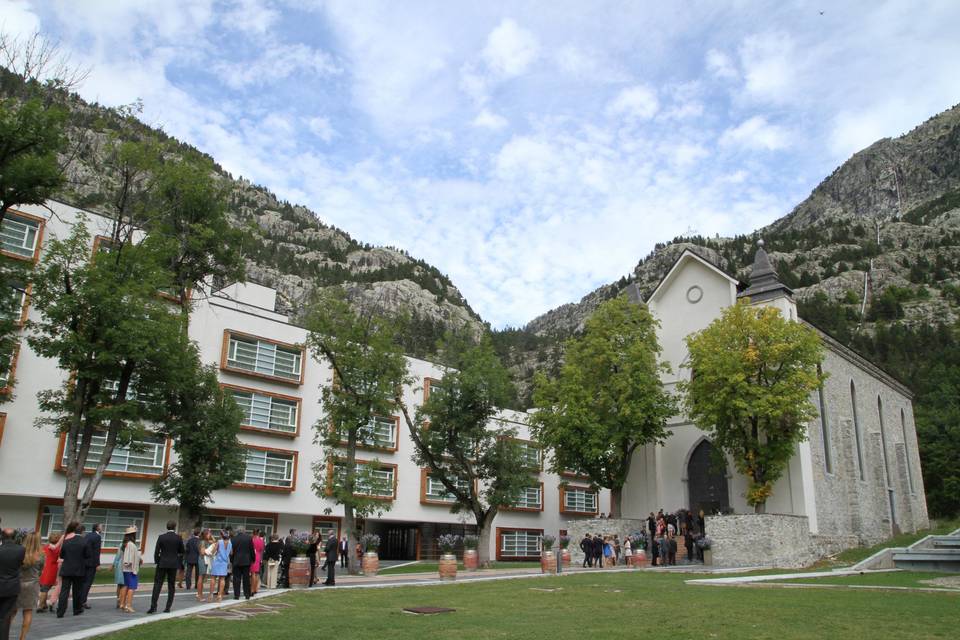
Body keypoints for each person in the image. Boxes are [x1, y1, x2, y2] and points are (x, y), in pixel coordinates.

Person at [147, 521, 184, 614]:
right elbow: (182, 551)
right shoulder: (178, 538)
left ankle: (153, 606)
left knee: (157, 584)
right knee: (171, 585)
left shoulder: (161, 537)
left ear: (167, 527)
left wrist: (157, 561)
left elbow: (156, 551)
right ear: (174, 527)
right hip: (173, 564)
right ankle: (168, 607)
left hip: (162, 563)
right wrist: (177, 560)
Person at [55, 522, 90, 618]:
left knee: (64, 590)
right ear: (82, 532)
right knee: (77, 590)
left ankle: (60, 611)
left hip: (66, 568)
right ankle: (77, 609)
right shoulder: (84, 542)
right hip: (79, 569)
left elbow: (62, 555)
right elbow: (87, 555)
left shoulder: (66, 541)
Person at [14, 532, 43, 640]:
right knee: (28, 611)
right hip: (32, 585)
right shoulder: (40, 555)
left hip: (18, 583)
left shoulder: (19, 553)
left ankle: (5, 634)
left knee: (12, 610)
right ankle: (22, 637)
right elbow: (40, 571)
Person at [0, 528, 26, 640]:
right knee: (6, 617)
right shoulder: (21, 550)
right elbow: (20, 564)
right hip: (12, 586)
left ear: (2, 536)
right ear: (15, 537)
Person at [35, 532, 60, 614]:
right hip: (51, 569)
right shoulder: (57, 549)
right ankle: (40, 606)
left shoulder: (45, 547)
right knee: (45, 589)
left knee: (43, 586)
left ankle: (44, 604)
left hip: (43, 568)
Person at [119, 527, 141, 613]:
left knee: (125, 585)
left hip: (125, 569)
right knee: (132, 587)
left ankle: (122, 603)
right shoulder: (131, 544)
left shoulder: (125, 544)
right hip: (131, 569)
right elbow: (130, 558)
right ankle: (128, 605)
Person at [80, 523, 102, 610]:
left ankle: (80, 599)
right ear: (97, 528)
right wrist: (97, 564)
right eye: (101, 527)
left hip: (84, 562)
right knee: (88, 582)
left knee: (83, 582)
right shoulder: (97, 537)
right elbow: (96, 551)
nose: (102, 528)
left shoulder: (87, 535)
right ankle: (83, 601)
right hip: (92, 563)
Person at [230, 527, 254, 600]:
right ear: (244, 531)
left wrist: (232, 560)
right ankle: (247, 594)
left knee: (236, 579)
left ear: (237, 531)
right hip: (246, 561)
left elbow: (231, 552)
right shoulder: (249, 538)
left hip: (236, 561)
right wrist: (253, 559)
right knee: (246, 579)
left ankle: (236, 595)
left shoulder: (233, 539)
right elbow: (251, 549)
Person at [209, 530, 231, 602]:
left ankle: (211, 595)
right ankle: (220, 595)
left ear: (221, 535)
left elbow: (213, 551)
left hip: (217, 561)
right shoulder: (230, 543)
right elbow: (231, 552)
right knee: (222, 579)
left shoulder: (219, 542)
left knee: (213, 578)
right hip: (224, 562)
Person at [184, 528, 201, 593]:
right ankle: (196, 585)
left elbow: (187, 549)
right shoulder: (199, 541)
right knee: (198, 572)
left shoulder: (190, 540)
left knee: (188, 572)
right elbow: (199, 549)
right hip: (197, 558)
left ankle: (188, 585)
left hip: (190, 557)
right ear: (199, 534)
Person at [110, 540, 124, 609]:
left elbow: (117, 556)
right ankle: (120, 600)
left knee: (120, 584)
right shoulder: (131, 545)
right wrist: (113, 565)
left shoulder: (122, 544)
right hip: (124, 565)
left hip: (121, 565)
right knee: (123, 584)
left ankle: (119, 599)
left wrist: (114, 565)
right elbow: (118, 556)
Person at [250, 529, 264, 596]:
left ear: (253, 533)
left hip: (252, 556)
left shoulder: (252, 539)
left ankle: (252, 589)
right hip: (258, 556)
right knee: (257, 573)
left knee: (252, 573)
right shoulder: (261, 540)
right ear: (258, 533)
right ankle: (256, 588)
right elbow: (261, 549)